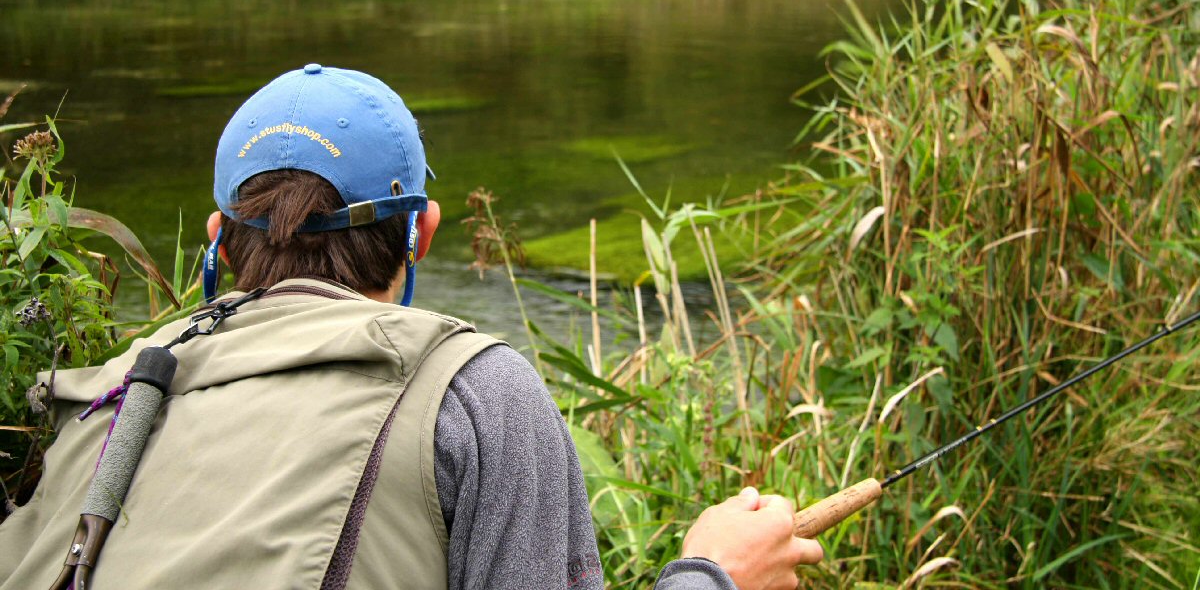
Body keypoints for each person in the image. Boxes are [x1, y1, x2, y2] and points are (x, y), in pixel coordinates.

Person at [0, 65, 822, 589]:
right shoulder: (476, 393)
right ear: (422, 232)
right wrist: (714, 577)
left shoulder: (108, 393)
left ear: (219, 241)